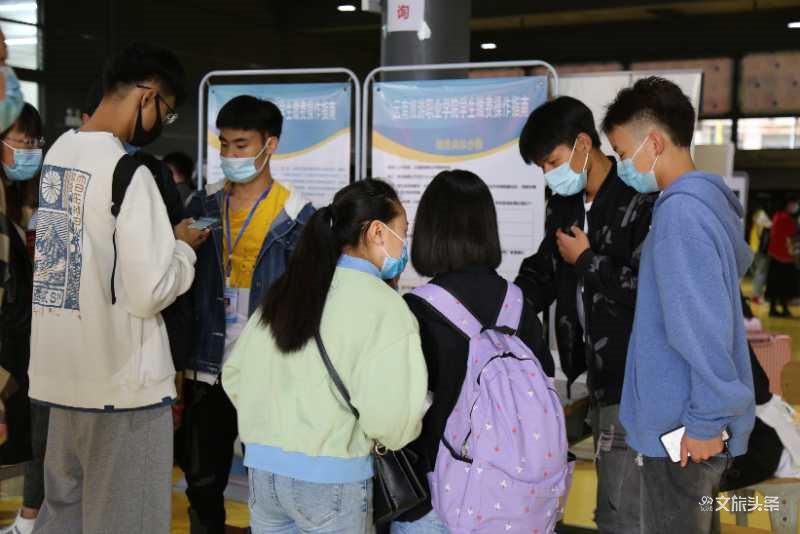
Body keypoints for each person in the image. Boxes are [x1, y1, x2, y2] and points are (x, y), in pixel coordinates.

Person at [28, 42, 208, 534]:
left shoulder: (60, 153)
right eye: (166, 113)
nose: (160, 123)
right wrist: (182, 248)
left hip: (61, 379)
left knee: (64, 515)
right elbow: (149, 292)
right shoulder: (131, 172)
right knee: (128, 522)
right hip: (122, 387)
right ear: (148, 97)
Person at [222, 178, 428, 533]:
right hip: (332, 479)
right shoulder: (385, 306)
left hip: (264, 474)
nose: (403, 243)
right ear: (377, 232)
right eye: (402, 231)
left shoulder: (288, 289)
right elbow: (393, 423)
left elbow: (235, 375)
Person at [603, 76, 755, 534]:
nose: (622, 165)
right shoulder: (703, 205)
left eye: (622, 153)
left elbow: (700, 327)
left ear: (653, 143)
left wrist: (705, 422)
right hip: (687, 425)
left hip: (684, 431)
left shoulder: (680, 215)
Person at [514, 96, 656, 533]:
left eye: (553, 162)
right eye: (541, 167)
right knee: (611, 501)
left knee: (622, 511)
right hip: (585, 378)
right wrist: (504, 305)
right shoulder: (563, 202)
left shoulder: (639, 199)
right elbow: (545, 266)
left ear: (583, 144)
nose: (548, 174)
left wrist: (588, 261)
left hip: (632, 380)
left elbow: (649, 289)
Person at [391, 170, 555, 533]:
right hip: (512, 497)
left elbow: (400, 411)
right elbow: (544, 381)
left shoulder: (417, 310)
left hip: (433, 497)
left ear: (430, 232)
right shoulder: (518, 304)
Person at [182, 95, 314, 534]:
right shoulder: (202, 205)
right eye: (224, 145)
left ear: (270, 145)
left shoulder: (297, 215)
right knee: (202, 481)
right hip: (207, 366)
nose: (230, 155)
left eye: (241, 145)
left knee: (270, 480)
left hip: (267, 367)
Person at [0, 102, 45, 534]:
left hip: (21, 350)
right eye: (21, 141)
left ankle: (29, 519)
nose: (30, 151)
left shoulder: (23, 204)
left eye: (35, 142)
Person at [765, 196, 799, 318]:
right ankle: (783, 309)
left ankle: (773, 309)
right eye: (793, 204)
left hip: (775, 256)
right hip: (784, 257)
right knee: (785, 285)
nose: (795, 207)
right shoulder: (785, 219)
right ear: (787, 205)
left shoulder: (777, 216)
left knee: (774, 284)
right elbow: (791, 237)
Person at [748, 204, 772, 304]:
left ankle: (755, 295)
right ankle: (756, 296)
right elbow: (770, 226)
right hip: (761, 249)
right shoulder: (762, 215)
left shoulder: (755, 215)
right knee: (761, 273)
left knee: (758, 273)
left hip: (754, 247)